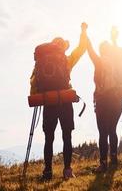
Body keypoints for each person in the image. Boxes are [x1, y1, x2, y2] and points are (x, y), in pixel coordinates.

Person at [31, 23, 88, 180]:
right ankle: (67, 171)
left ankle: (47, 172)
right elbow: (82, 48)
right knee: (67, 136)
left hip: (48, 103)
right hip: (64, 102)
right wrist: (83, 31)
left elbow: (34, 82)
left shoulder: (41, 61)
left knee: (49, 138)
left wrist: (38, 96)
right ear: (63, 48)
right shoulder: (67, 60)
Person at [86, 27, 122, 172]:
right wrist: (114, 39)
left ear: (101, 51)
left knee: (103, 133)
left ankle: (103, 163)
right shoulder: (117, 62)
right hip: (117, 99)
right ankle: (114, 159)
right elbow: (117, 51)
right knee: (112, 130)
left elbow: (90, 51)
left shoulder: (99, 61)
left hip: (103, 101)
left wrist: (85, 35)